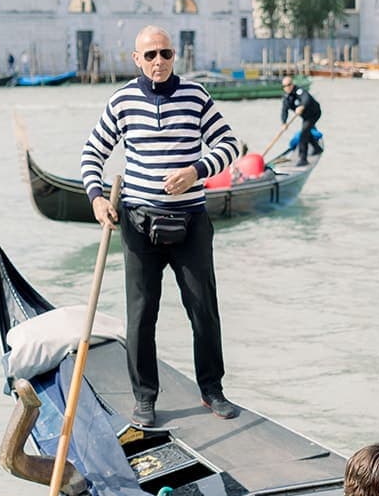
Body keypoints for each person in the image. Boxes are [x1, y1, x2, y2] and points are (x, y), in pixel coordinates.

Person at [81, 25, 241, 427]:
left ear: (175, 57)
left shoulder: (196, 96)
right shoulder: (121, 101)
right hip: (138, 222)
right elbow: (93, 151)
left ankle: (212, 390)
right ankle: (144, 398)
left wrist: (196, 170)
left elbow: (229, 145)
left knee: (203, 310)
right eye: (150, 55)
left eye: (165, 54)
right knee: (141, 313)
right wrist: (97, 198)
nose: (158, 62)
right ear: (136, 59)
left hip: (190, 221)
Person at [280, 75, 323, 167]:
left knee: (303, 134)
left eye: (288, 85)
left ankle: (303, 159)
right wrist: (284, 122)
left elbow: (306, 98)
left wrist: (302, 106)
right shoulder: (286, 98)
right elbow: (284, 110)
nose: (287, 88)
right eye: (284, 86)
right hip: (305, 117)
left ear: (292, 84)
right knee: (306, 131)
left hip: (314, 113)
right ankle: (317, 148)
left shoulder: (299, 91)